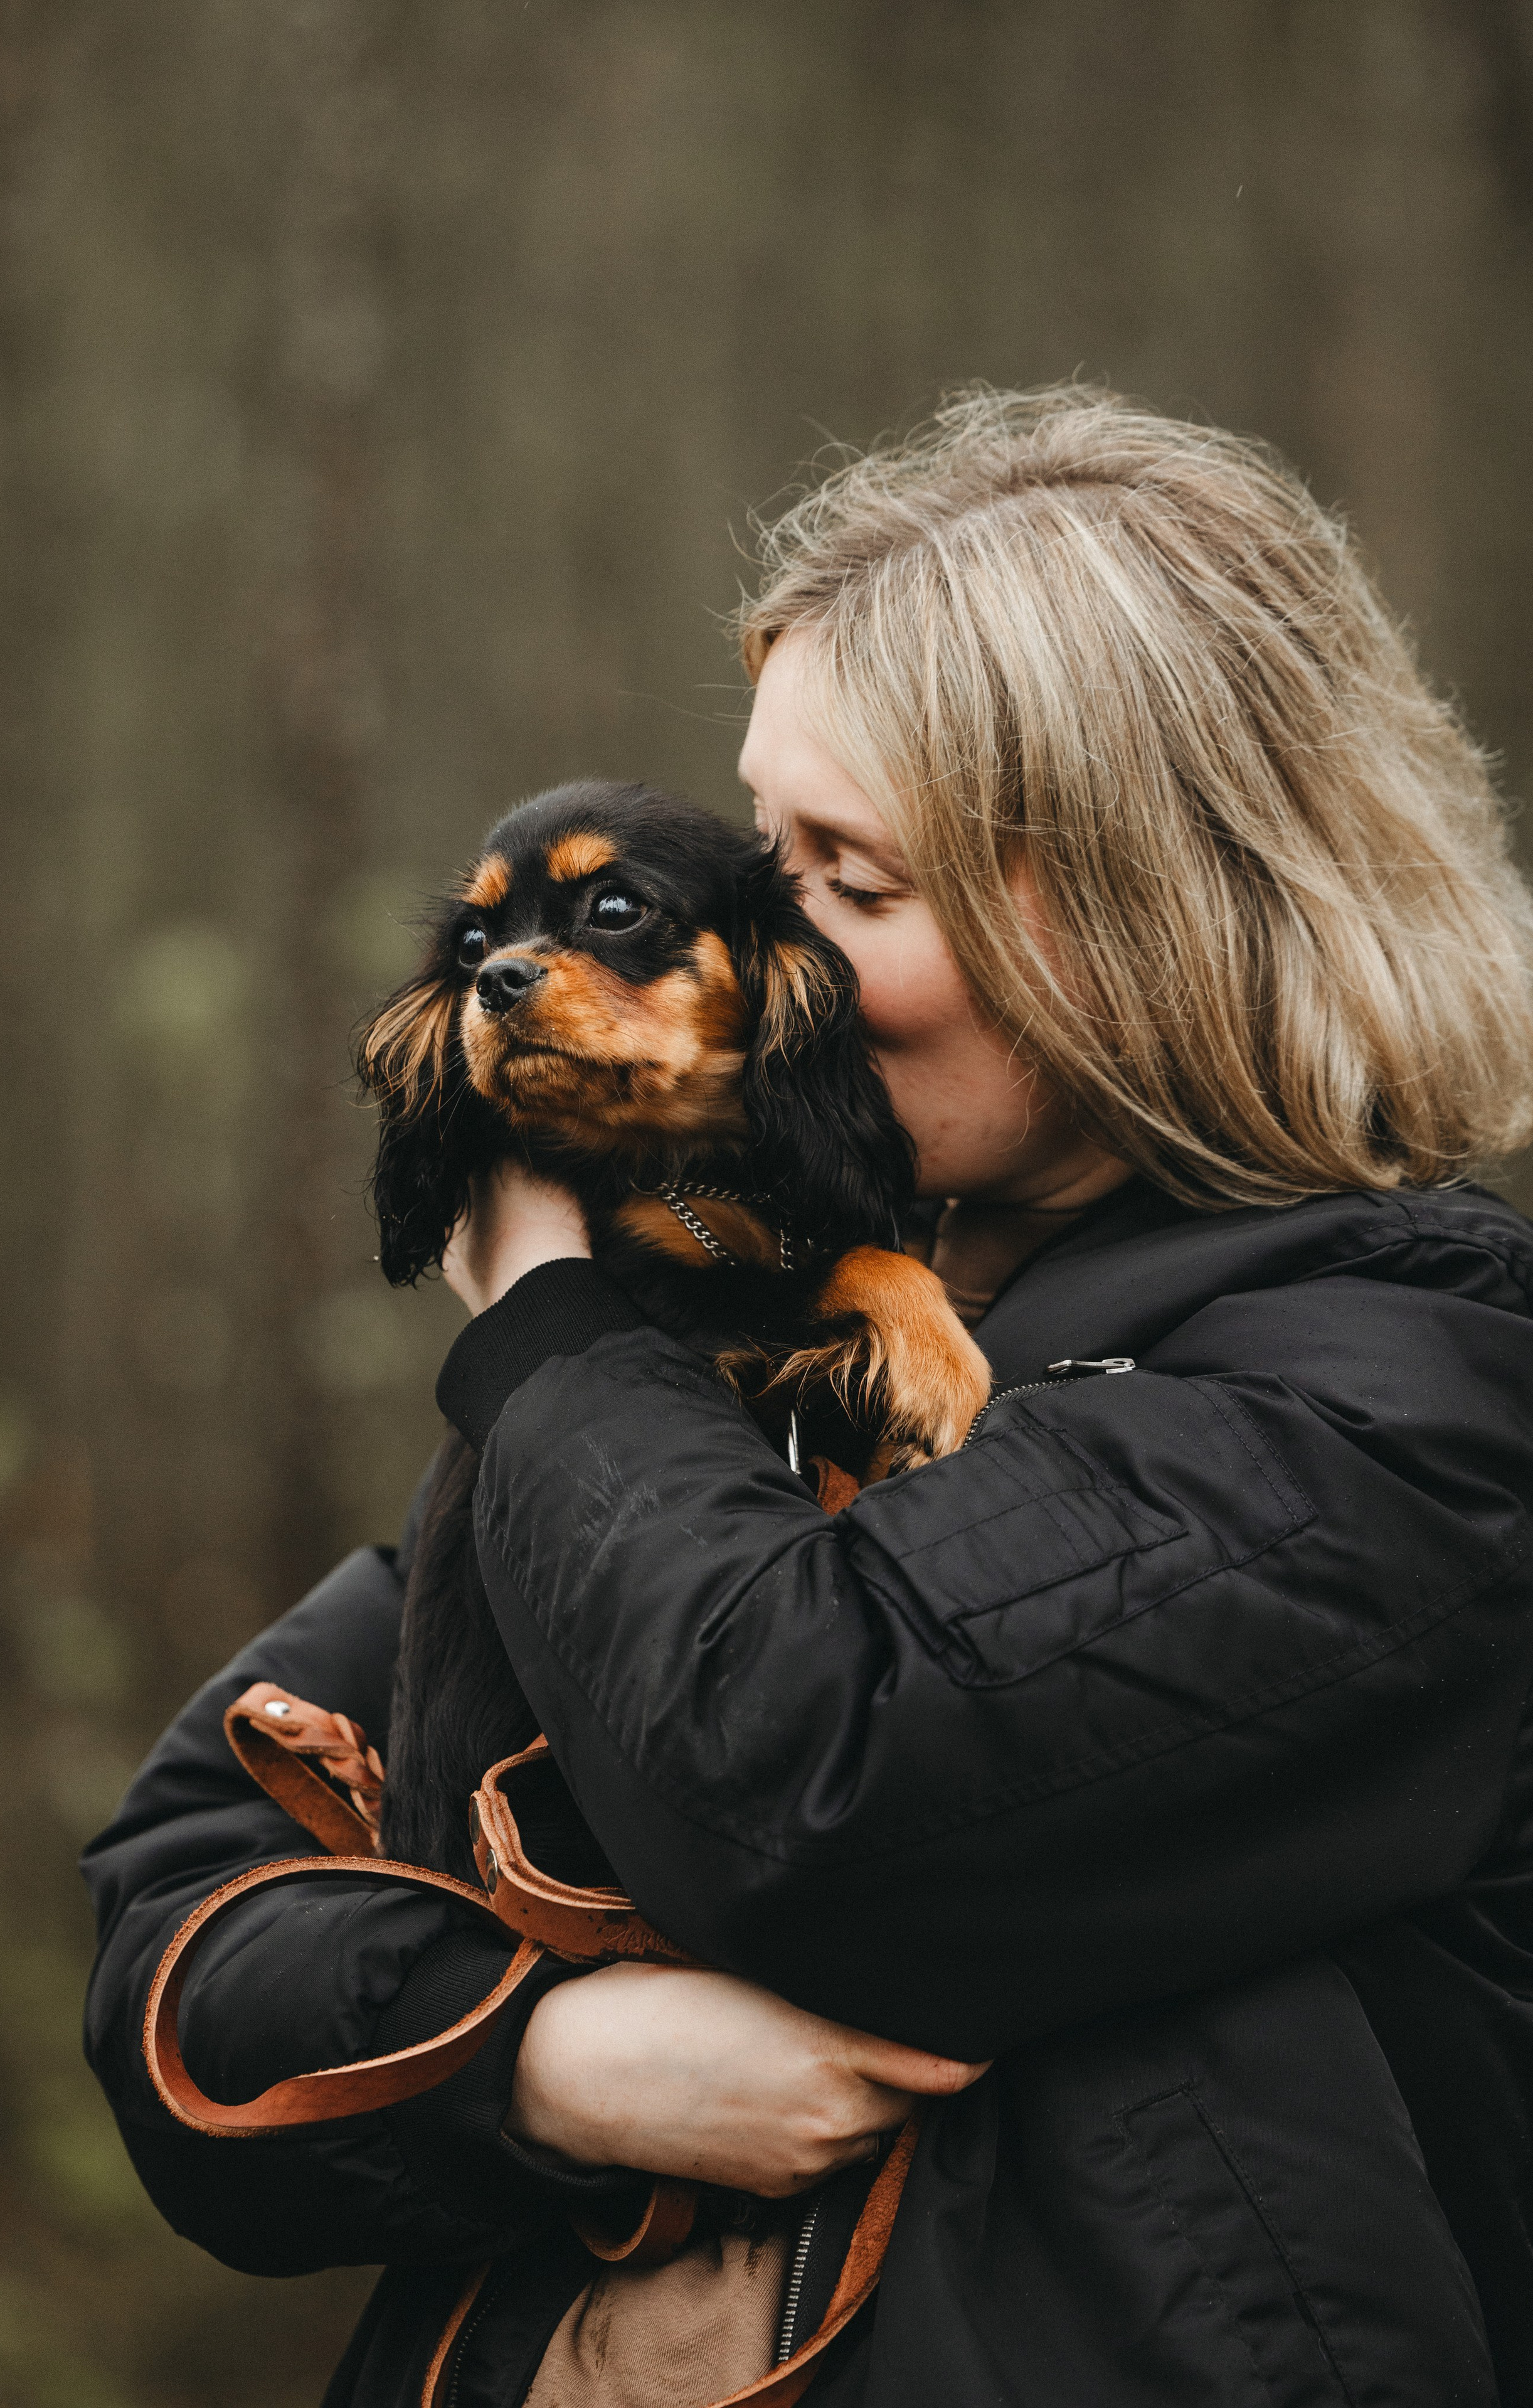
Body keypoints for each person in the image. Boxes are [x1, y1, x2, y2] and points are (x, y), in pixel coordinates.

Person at [83, 387, 1533, 2406]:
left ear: (1146, 912)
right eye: (759, 863)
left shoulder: (1413, 1409)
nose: (762, 955)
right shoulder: (745, 1332)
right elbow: (174, 1901)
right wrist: (539, 2058)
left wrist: (546, 1326)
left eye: (847, 882)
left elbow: (798, 1776)